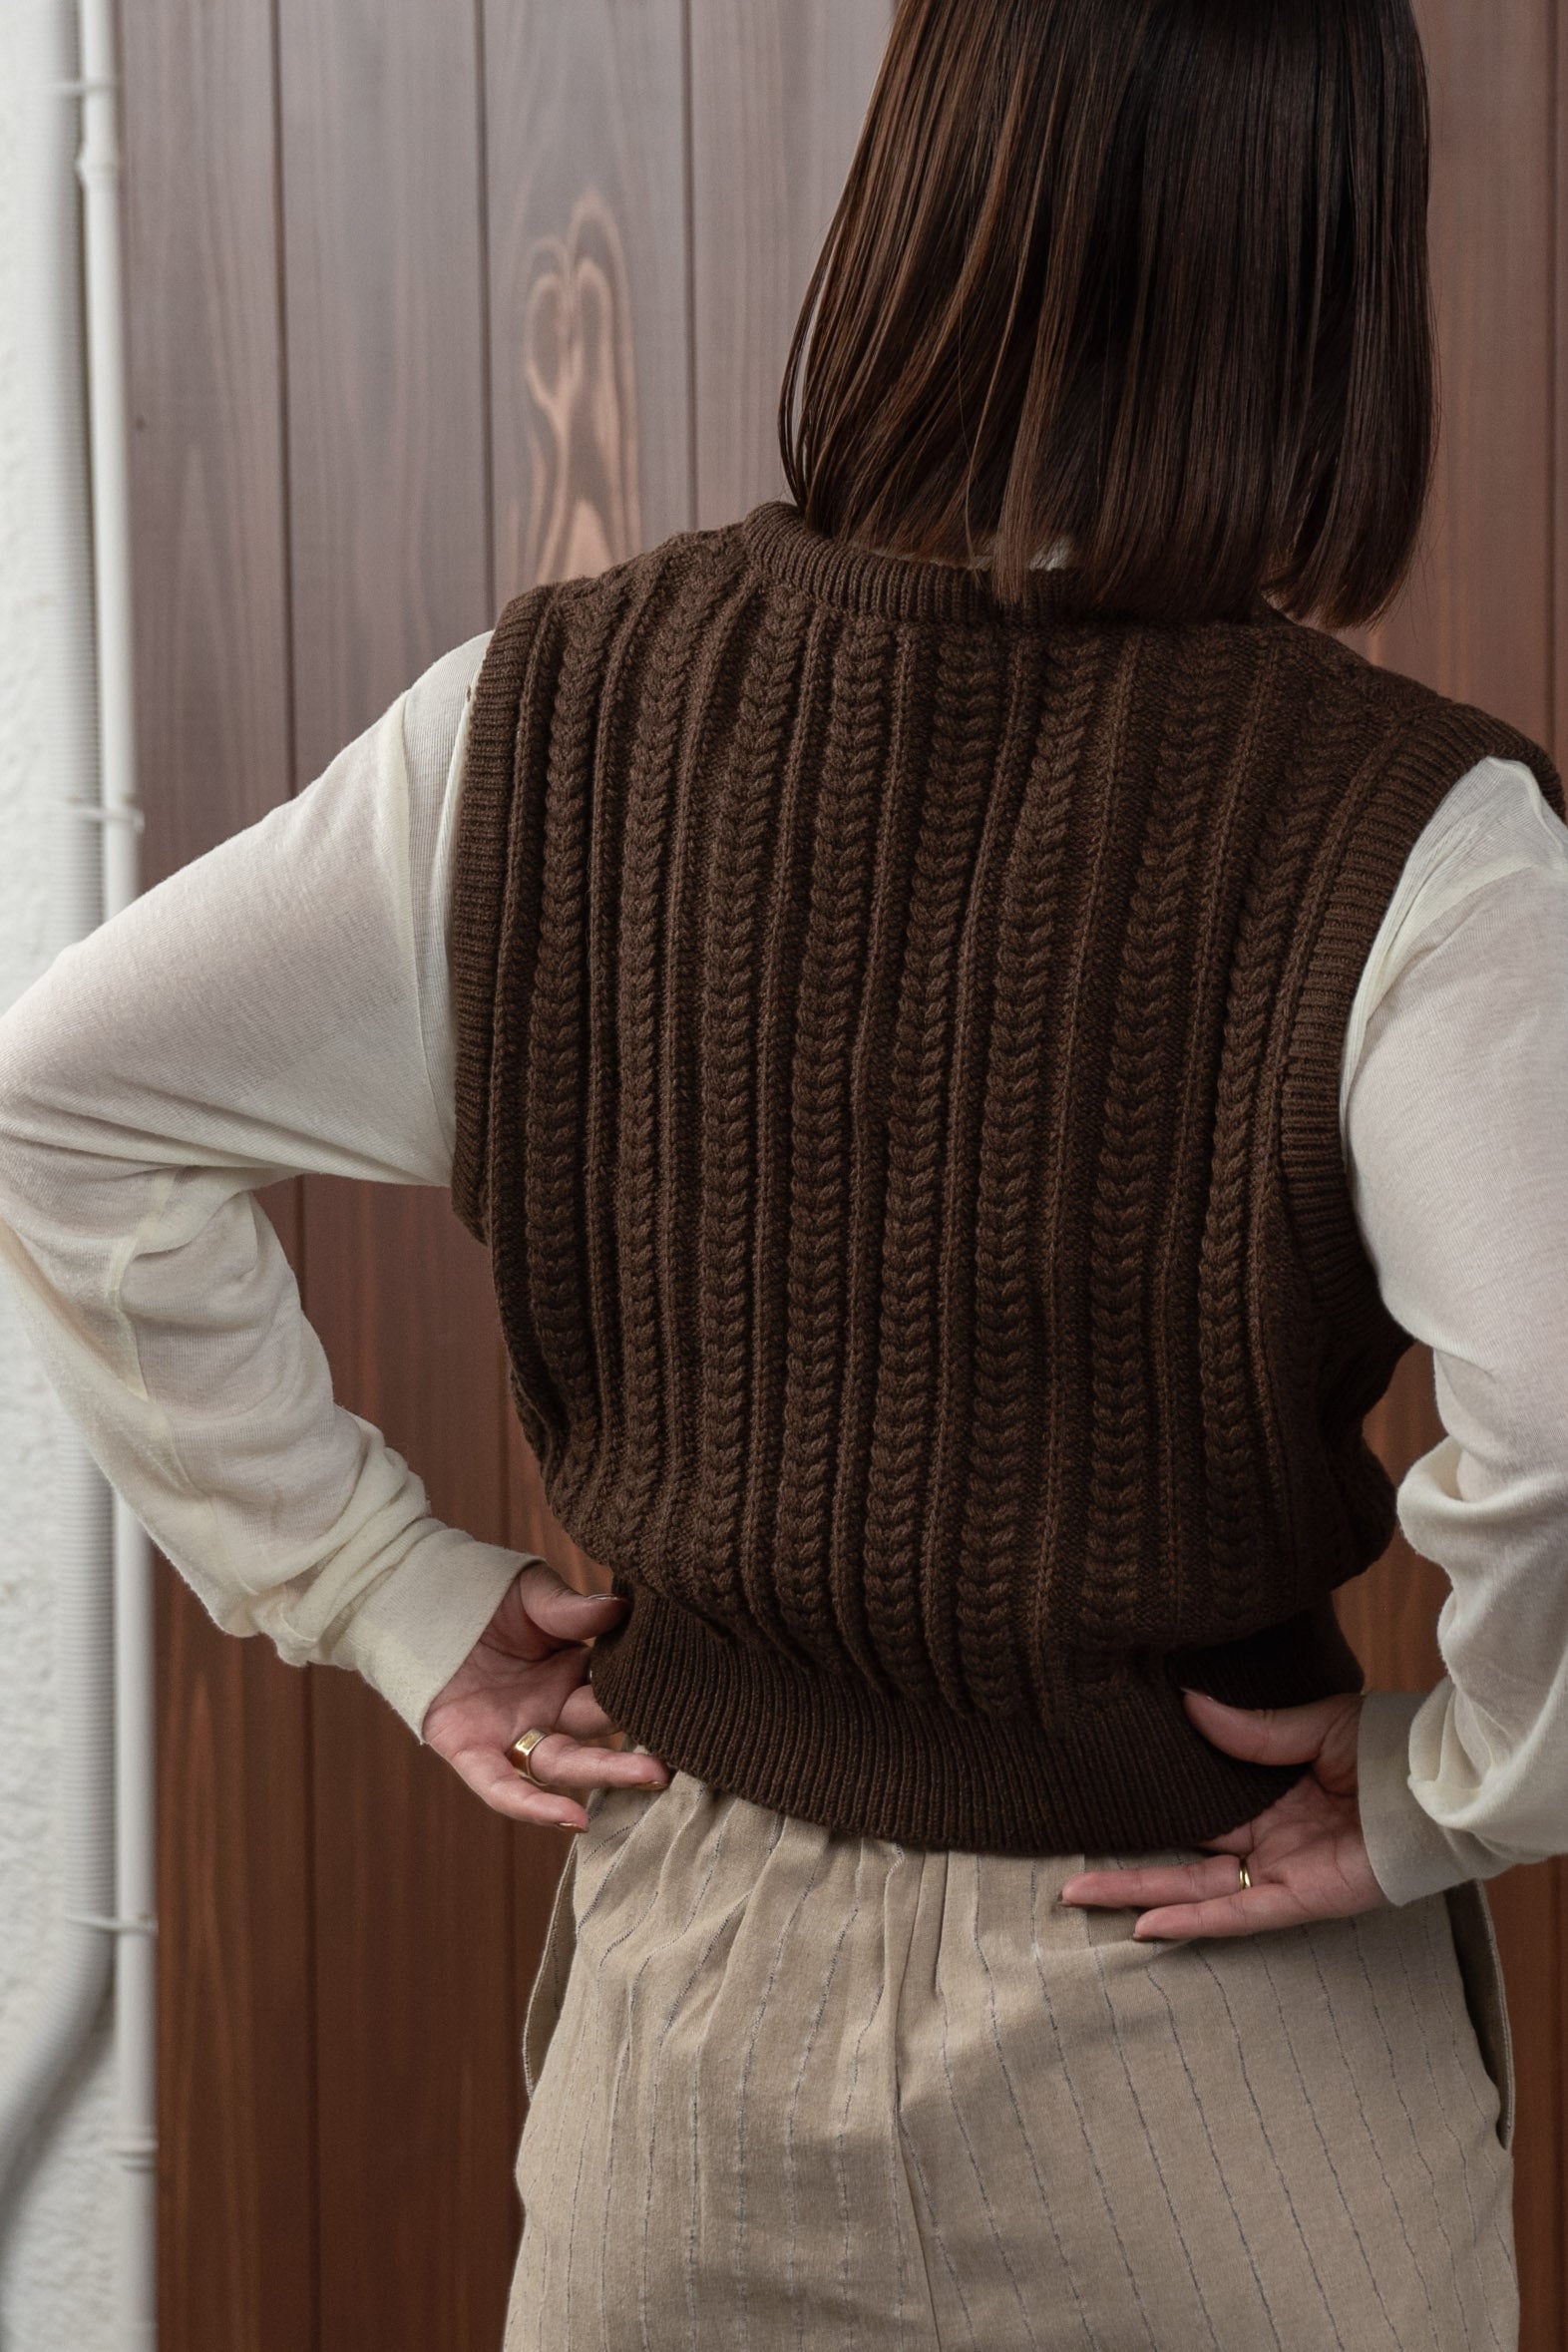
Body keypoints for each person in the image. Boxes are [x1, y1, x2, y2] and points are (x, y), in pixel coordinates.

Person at [1, 0, 1564, 2343]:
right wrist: (1462, 1783)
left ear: (915, 184)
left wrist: (379, 1587)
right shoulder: (1423, 843)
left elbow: (63, 1099)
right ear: (1335, 260)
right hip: (1212, 2021)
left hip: (689, 2047)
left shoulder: (541, 727)